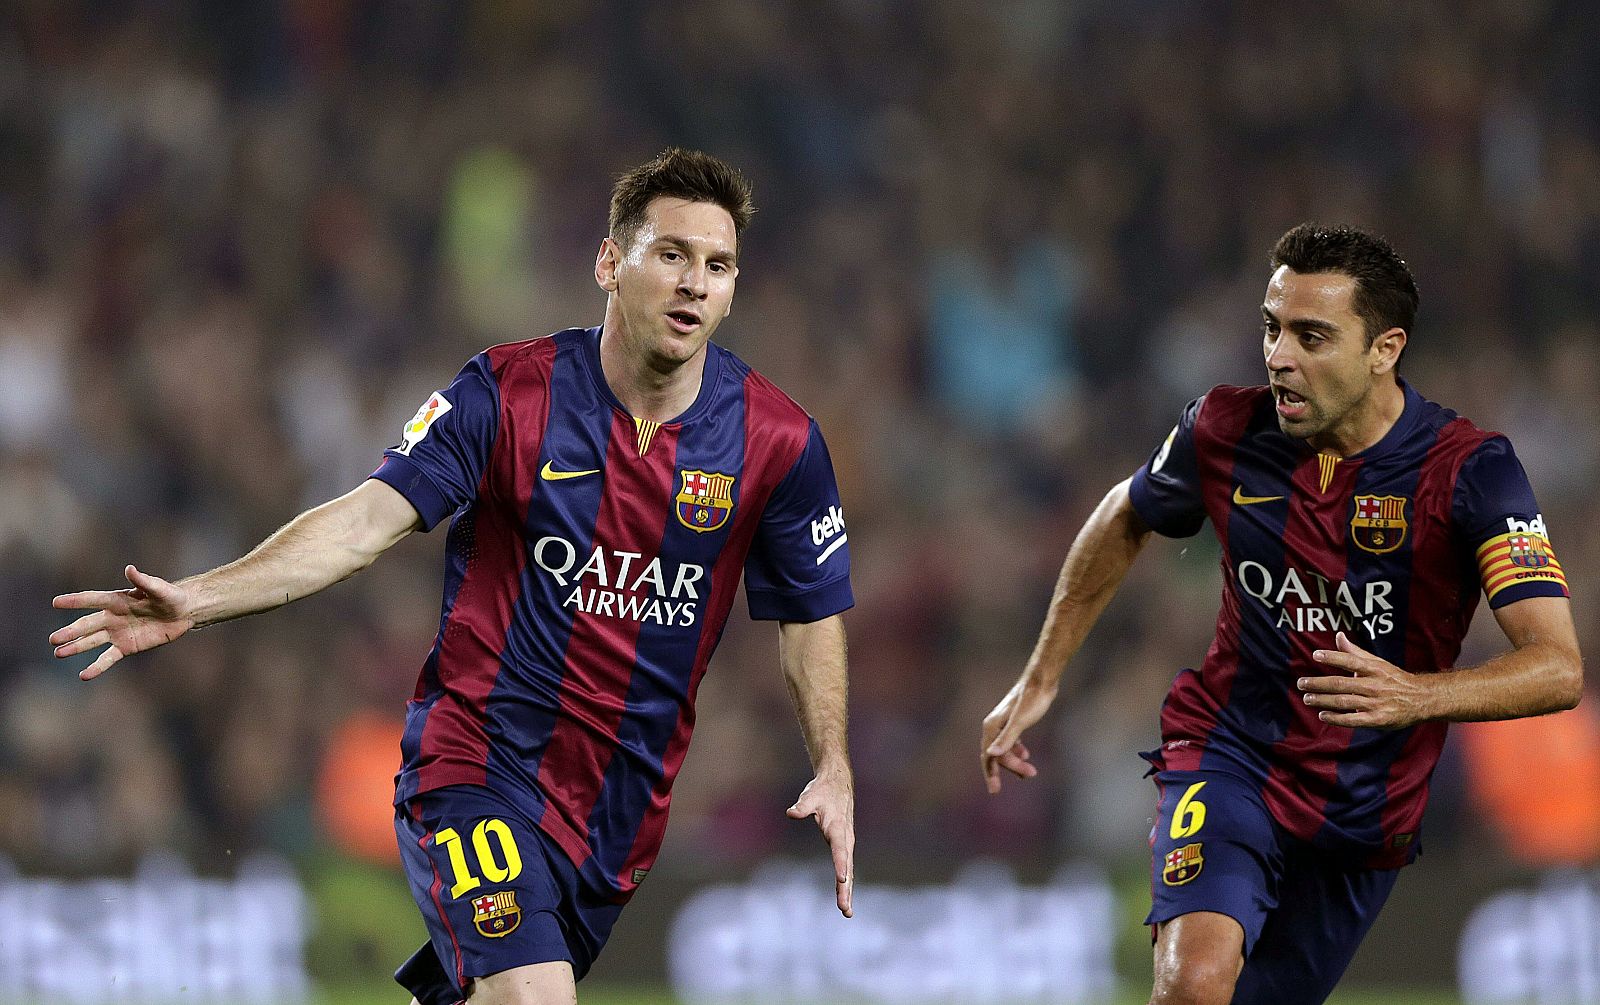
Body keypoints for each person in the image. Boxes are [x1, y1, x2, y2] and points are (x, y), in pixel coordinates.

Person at [50, 148, 856, 1005]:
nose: (696, 282)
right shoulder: (507, 394)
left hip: (613, 821)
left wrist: (834, 763)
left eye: (718, 265)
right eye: (672, 254)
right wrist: (201, 598)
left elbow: (809, 615)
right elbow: (365, 520)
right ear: (609, 262)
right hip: (476, 766)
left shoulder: (778, 444)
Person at [980, 223, 1582, 1005]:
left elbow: (1559, 665)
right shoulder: (1226, 428)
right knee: (1193, 985)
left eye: (1311, 335)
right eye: (1271, 328)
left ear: (1384, 348)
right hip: (1233, 753)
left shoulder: (1472, 472)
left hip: (1364, 811)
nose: (1278, 356)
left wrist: (1418, 693)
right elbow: (1125, 514)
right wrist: (1041, 675)